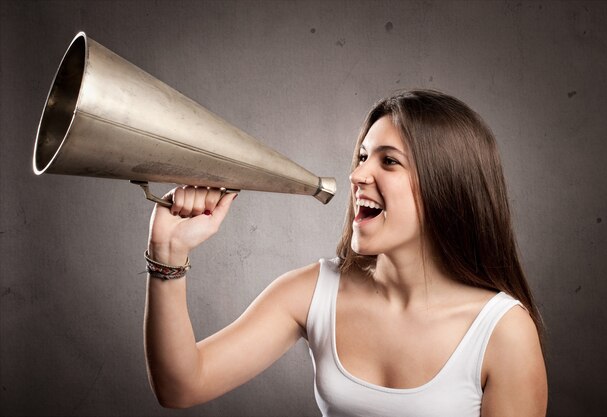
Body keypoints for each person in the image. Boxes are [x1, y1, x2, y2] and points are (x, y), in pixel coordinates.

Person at [143, 89, 548, 416]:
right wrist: (167, 251)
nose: (357, 175)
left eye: (389, 161)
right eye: (362, 156)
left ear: (446, 186)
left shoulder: (503, 332)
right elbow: (182, 386)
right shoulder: (313, 292)